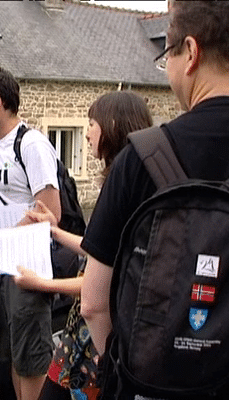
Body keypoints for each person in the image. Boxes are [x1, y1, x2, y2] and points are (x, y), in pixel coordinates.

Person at [79, 1, 229, 399]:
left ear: (192, 53)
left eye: (168, 56)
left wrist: (121, 365)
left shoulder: (142, 156)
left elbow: (93, 303)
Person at [15, 91, 153, 400]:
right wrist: (55, 230)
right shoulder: (134, 179)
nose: (87, 132)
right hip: (88, 334)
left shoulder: (122, 183)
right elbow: (102, 251)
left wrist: (41, 283)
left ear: (112, 125)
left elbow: (96, 287)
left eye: (91, 123)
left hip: (96, 340)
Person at [0, 64, 61, 400]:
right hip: (2, 267)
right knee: (12, 357)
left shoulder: (32, 145)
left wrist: (3, 236)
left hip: (28, 269)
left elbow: (51, 213)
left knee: (31, 358)